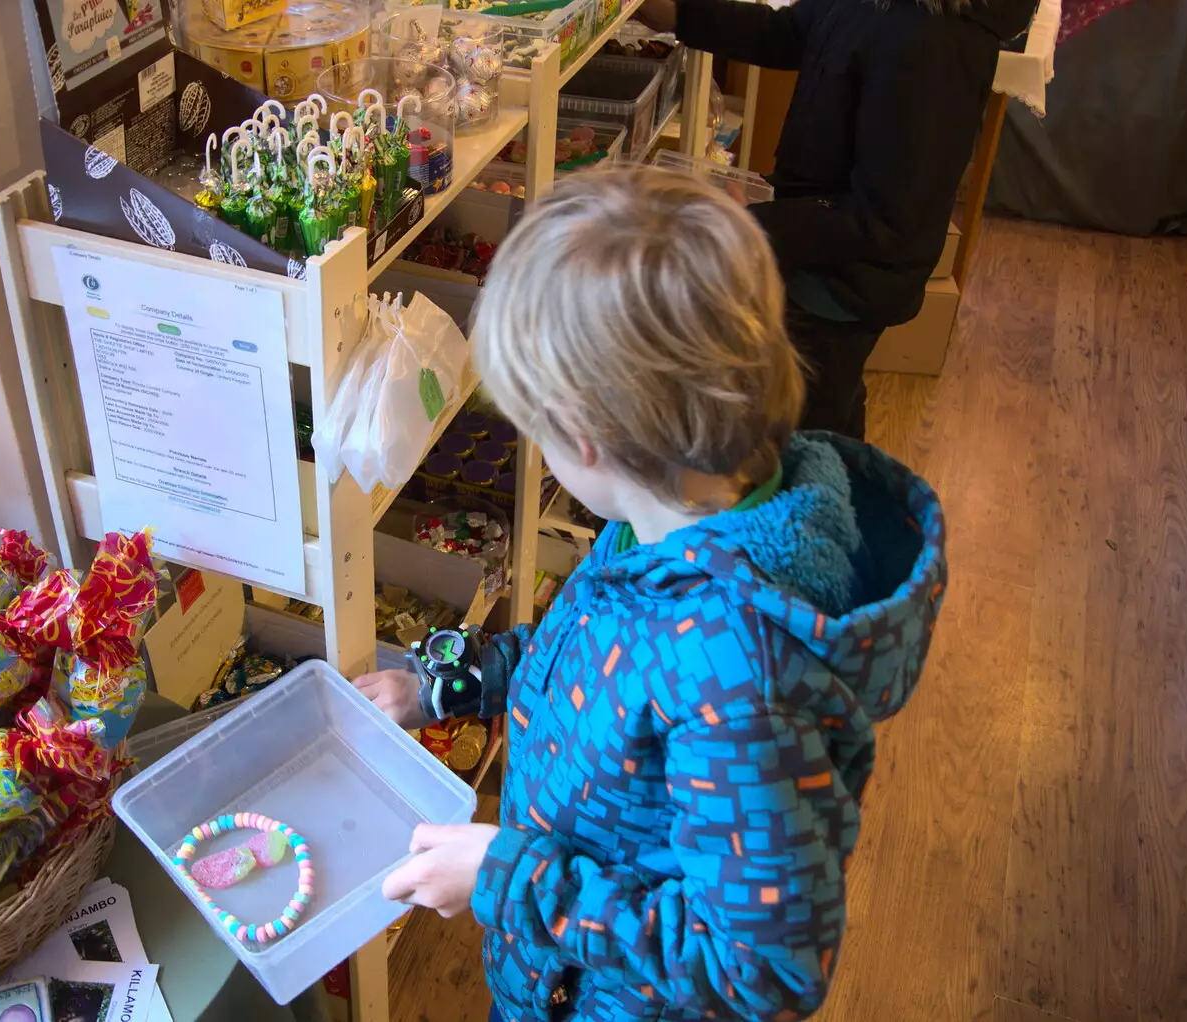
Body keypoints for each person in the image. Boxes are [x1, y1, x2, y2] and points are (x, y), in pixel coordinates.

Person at [353, 166, 949, 1022]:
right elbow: (587, 657)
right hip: (560, 971)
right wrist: (451, 683)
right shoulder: (668, 520)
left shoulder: (741, 673)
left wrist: (514, 881)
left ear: (585, 439)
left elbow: (764, 972)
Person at [636, 0, 1038, 439]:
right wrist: (680, 14)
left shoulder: (929, 44)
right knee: (831, 412)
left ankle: (827, 494)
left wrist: (753, 223)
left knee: (803, 430)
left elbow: (884, 222)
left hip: (843, 282)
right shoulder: (887, 13)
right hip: (820, 246)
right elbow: (790, 32)